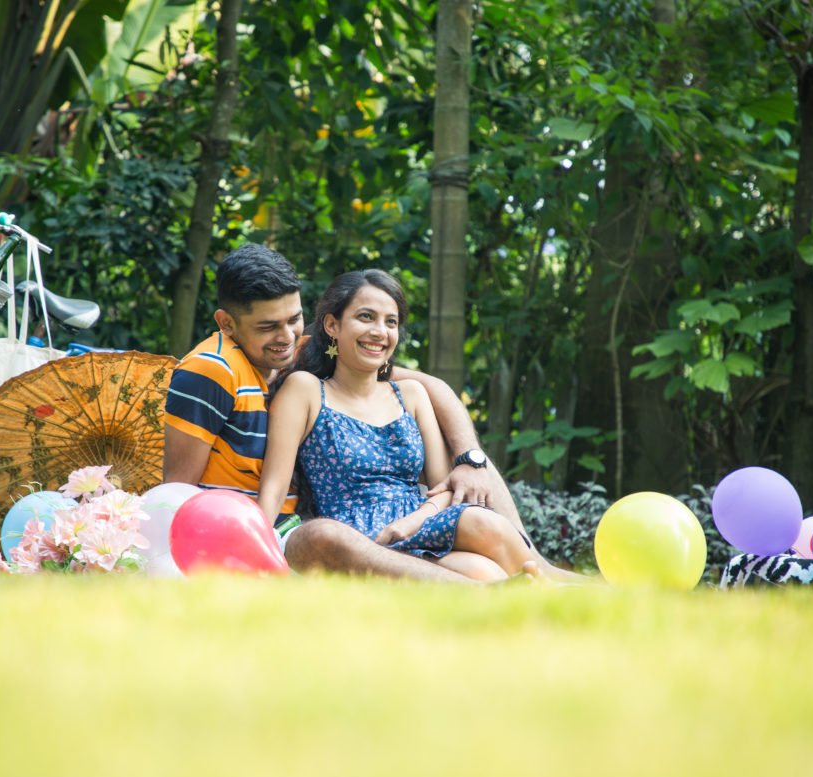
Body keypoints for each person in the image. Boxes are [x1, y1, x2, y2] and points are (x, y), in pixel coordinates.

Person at [163, 244, 531, 582]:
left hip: (400, 522)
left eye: (294, 319)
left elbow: (430, 386)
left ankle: (540, 573)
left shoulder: (308, 351)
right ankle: (501, 591)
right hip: (266, 528)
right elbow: (177, 492)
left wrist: (469, 458)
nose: (288, 336)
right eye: (268, 326)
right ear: (227, 323)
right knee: (328, 535)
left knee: (476, 497)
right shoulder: (212, 370)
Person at [255, 268, 588, 583]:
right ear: (332, 325)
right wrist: (256, 554)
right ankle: (563, 593)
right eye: (365, 317)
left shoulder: (411, 395)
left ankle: (558, 587)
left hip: (421, 525)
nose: (379, 332)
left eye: (391, 322)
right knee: (484, 574)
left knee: (483, 532)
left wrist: (412, 521)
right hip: (359, 536)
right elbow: (274, 487)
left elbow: (444, 489)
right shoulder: (306, 389)